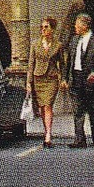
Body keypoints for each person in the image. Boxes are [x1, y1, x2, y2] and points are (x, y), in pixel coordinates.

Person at [65, 12, 94, 148]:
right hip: (76, 78)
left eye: (77, 25)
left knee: (93, 110)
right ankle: (79, 139)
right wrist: (65, 78)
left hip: (90, 80)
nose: (75, 27)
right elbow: (69, 61)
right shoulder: (74, 40)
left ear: (85, 25)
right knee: (77, 111)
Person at [27, 17, 65, 147]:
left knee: (48, 105)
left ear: (52, 29)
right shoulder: (35, 44)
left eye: (46, 27)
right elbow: (31, 64)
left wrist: (63, 78)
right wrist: (29, 82)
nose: (43, 30)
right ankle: (46, 130)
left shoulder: (58, 45)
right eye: (42, 27)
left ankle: (48, 134)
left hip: (52, 78)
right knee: (42, 107)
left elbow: (62, 63)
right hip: (38, 78)